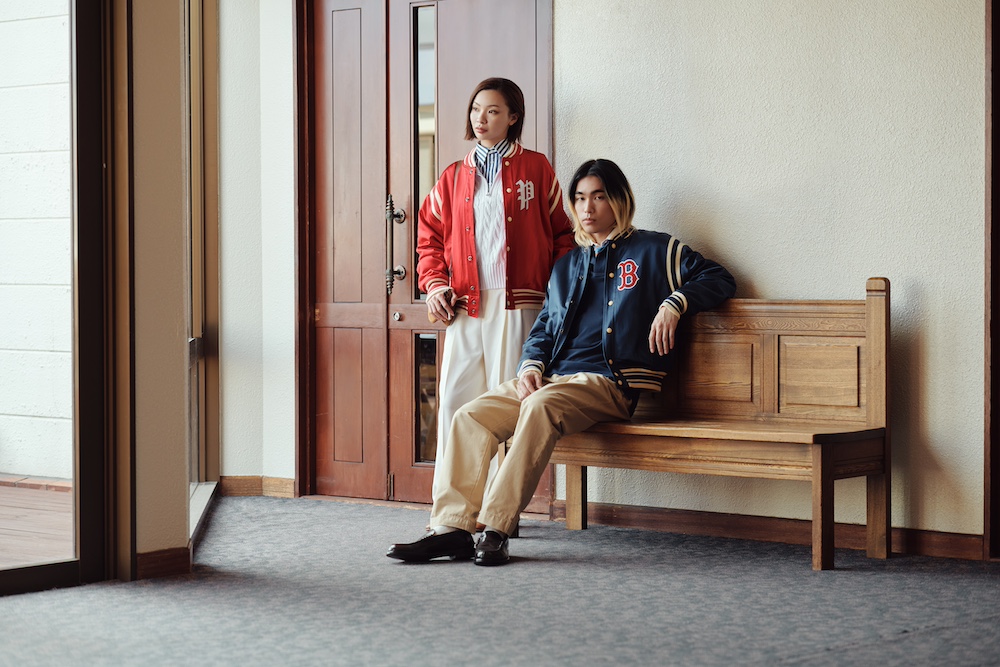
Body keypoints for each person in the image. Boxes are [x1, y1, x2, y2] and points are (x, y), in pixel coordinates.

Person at [389, 158, 737, 566]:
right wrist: (531, 366)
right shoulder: (568, 264)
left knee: (540, 405)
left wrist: (674, 303)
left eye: (599, 197)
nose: (588, 208)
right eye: (580, 198)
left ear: (620, 200)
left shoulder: (655, 250)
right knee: (470, 416)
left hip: (608, 383)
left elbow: (718, 277)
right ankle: (451, 529)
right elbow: (545, 327)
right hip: (554, 379)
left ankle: (496, 529)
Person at [416, 77, 574, 489]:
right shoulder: (453, 176)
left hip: (519, 303)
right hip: (465, 305)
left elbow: (563, 235)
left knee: (508, 405)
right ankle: (450, 510)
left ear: (513, 117)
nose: (481, 118)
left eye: (493, 111)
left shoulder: (536, 168)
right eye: (476, 109)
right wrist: (435, 285)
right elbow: (429, 237)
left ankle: (497, 509)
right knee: (456, 403)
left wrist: (557, 295)